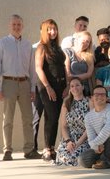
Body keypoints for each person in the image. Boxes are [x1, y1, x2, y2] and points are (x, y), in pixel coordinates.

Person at [0, 14, 41, 161]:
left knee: (28, 118)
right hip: (9, 83)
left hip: (25, 83)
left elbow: (32, 68)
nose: (16, 27)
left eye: (19, 24)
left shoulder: (28, 45)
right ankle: (7, 150)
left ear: (22, 26)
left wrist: (32, 88)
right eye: (14, 24)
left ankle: (29, 150)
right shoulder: (1, 43)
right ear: (10, 26)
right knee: (8, 118)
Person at [35, 19, 68, 161]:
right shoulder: (42, 47)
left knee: (54, 117)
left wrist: (67, 85)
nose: (53, 32)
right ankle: (47, 148)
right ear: (44, 31)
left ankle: (51, 148)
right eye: (49, 29)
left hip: (61, 86)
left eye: (55, 29)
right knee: (52, 116)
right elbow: (38, 68)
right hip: (47, 86)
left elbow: (64, 67)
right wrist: (48, 87)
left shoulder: (58, 48)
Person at [54, 77, 91, 166]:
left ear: (82, 87)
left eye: (77, 85)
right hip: (70, 139)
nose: (75, 88)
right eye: (72, 86)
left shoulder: (89, 102)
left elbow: (90, 127)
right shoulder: (66, 103)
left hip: (85, 138)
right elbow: (63, 126)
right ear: (70, 89)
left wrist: (77, 143)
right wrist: (68, 141)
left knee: (75, 157)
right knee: (64, 155)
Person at [64, 31, 94, 97]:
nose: (85, 43)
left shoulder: (89, 55)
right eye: (83, 40)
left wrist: (73, 77)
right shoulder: (68, 52)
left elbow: (89, 74)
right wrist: (73, 81)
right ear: (78, 39)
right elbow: (67, 73)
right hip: (72, 88)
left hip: (85, 88)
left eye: (88, 42)